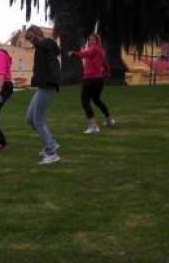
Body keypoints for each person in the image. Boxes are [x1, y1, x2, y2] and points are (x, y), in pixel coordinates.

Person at [25, 26, 62, 165]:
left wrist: (37, 39)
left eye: (31, 38)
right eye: (29, 39)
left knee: (38, 120)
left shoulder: (45, 44)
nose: (31, 41)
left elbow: (48, 44)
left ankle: (51, 153)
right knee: (30, 118)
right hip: (43, 86)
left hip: (48, 86)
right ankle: (51, 142)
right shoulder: (42, 48)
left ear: (36, 35)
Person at [68, 34, 115, 134]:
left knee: (85, 102)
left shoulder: (94, 49)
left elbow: (86, 53)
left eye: (93, 40)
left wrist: (74, 53)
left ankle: (93, 127)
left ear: (97, 41)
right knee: (96, 100)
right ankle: (109, 120)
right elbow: (105, 63)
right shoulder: (101, 50)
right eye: (89, 40)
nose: (91, 41)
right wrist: (107, 72)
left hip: (90, 79)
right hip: (99, 79)